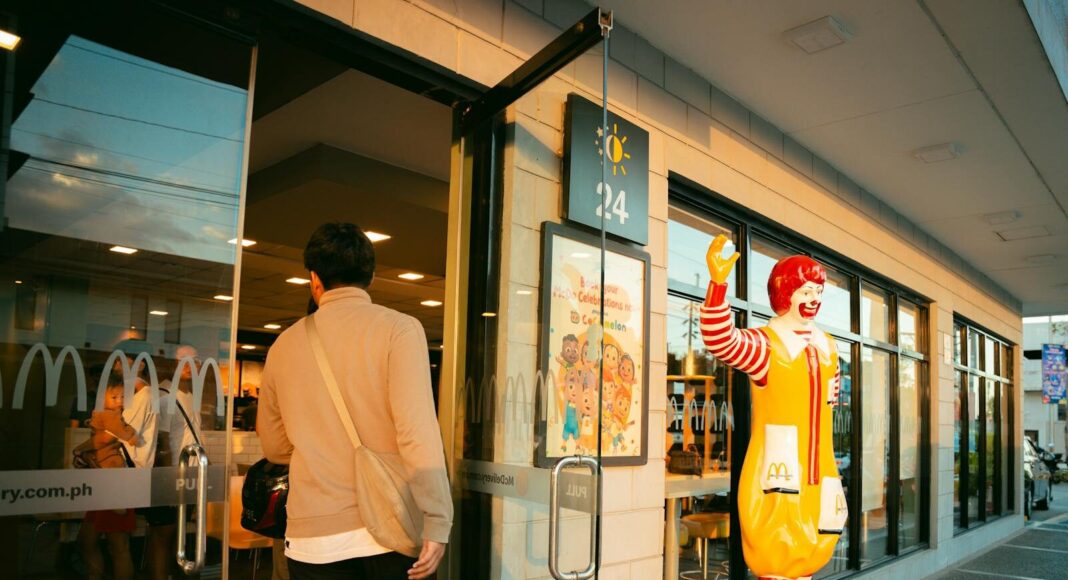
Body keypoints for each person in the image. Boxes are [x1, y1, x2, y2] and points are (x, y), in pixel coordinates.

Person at [258, 222, 452, 580]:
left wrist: (319, 450)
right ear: (371, 276)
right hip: (387, 532)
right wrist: (438, 520)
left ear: (314, 279)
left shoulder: (282, 346)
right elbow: (416, 433)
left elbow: (273, 446)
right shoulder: (399, 329)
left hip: (310, 540)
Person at [699, 235, 845, 580]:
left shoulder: (828, 348)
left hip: (820, 466)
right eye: (805, 291)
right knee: (775, 551)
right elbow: (721, 340)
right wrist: (718, 285)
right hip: (778, 466)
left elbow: (830, 405)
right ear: (785, 294)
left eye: (818, 292)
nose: (813, 300)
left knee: (818, 542)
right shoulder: (767, 344)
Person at [143, 344, 204, 580]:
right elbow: (162, 440)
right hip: (173, 476)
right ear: (173, 364)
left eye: (195, 360)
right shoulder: (165, 395)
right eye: (184, 360)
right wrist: (169, 480)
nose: (191, 365)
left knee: (177, 534)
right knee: (163, 534)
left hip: (190, 477)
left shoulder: (190, 396)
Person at [75, 381, 138, 580]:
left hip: (113, 483)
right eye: (114, 397)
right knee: (88, 541)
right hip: (104, 482)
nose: (119, 401)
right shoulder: (106, 417)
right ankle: (94, 575)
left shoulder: (116, 419)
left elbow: (100, 441)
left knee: (117, 545)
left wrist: (79, 451)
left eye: (122, 397)